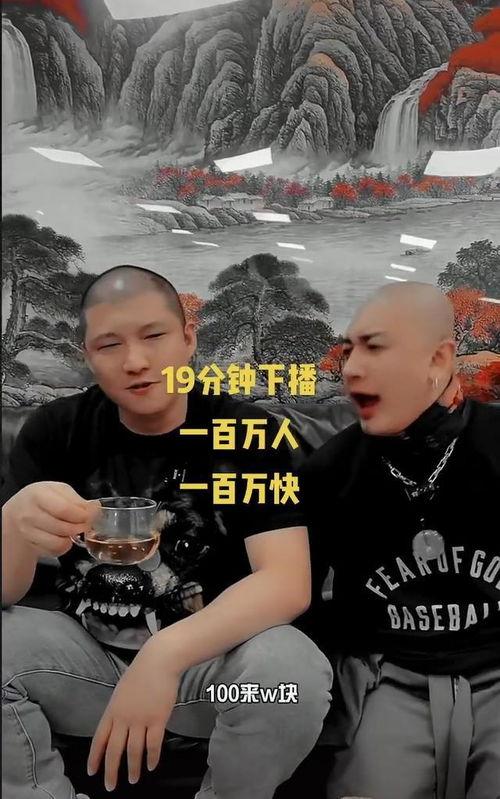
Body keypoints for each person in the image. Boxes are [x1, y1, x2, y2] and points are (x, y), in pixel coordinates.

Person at [2, 264, 333, 799]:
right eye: (110, 345)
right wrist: (13, 524)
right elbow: (6, 593)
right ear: (88, 356)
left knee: (290, 679)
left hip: (214, 677)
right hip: (88, 671)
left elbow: (286, 583)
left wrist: (164, 656)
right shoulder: (55, 431)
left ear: (188, 338)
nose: (135, 361)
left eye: (154, 336)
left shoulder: (247, 432)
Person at [300, 282, 500, 799]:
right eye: (349, 350)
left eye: (375, 347)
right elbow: (297, 599)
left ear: (439, 359)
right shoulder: (329, 470)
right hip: (386, 677)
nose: (350, 368)